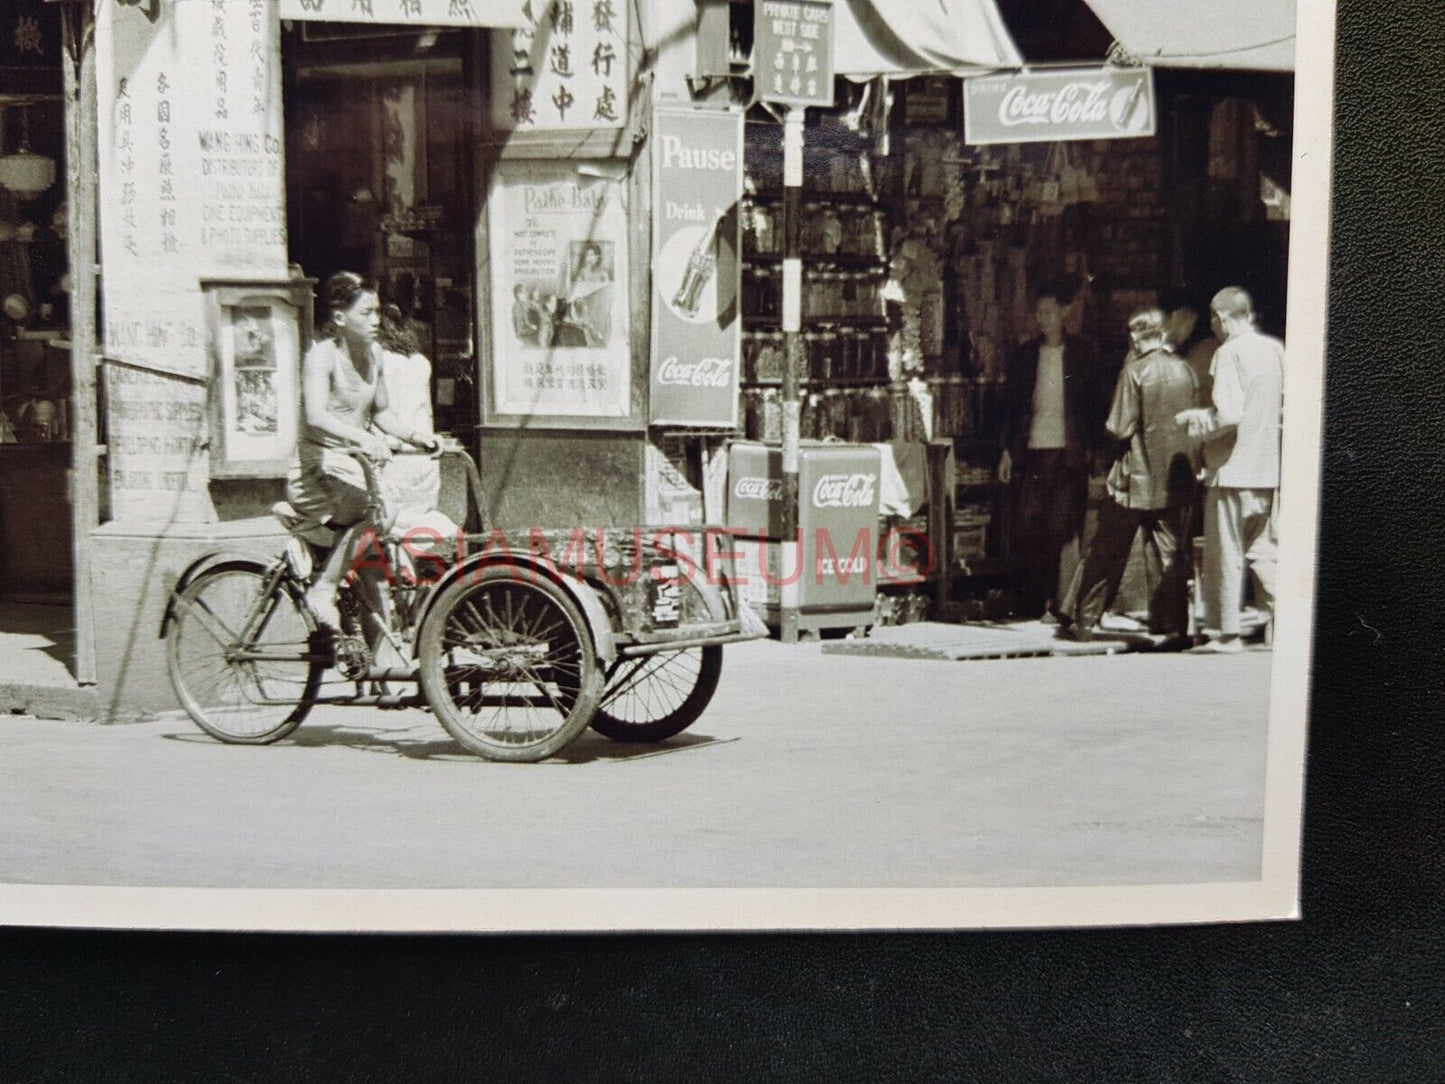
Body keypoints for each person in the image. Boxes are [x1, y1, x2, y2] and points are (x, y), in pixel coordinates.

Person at [285, 272, 440, 633]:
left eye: (376, 312)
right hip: (317, 471)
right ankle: (323, 591)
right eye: (366, 313)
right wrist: (363, 439)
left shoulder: (375, 356)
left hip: (352, 470)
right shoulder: (321, 357)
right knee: (382, 512)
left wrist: (420, 437)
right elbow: (316, 415)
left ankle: (379, 674)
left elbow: (383, 413)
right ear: (340, 318)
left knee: (376, 567)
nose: (376, 321)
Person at [1061, 309, 1200, 643]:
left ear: (1137, 337)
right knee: (1169, 554)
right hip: (1172, 478)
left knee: (1106, 550)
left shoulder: (1134, 371)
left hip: (1134, 479)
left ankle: (1086, 621)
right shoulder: (1185, 371)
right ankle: (1174, 625)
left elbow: (1118, 427)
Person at [1176, 287, 1285, 654]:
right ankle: (1288, 616)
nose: (1212, 326)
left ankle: (1226, 634)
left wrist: (1198, 419)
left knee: (1226, 554)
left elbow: (1229, 414)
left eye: (1213, 318)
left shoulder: (1228, 353)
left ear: (1222, 317)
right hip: (1267, 469)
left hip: (1232, 470)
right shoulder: (1275, 351)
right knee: (1262, 551)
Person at [999, 281, 1104, 620]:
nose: (1042, 319)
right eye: (1038, 313)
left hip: (1068, 452)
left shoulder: (1083, 354)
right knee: (1031, 525)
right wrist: (1006, 451)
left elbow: (1094, 406)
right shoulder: (1026, 355)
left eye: (1048, 312)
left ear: (1063, 313)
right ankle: (1036, 601)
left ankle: (1061, 603)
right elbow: (1012, 407)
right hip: (1032, 449)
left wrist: (1095, 453)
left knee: (1063, 527)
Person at [376, 303, 456, 539]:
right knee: (419, 521)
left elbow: (382, 413)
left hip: (396, 455)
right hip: (423, 453)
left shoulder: (381, 361)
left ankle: (398, 570)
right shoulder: (420, 361)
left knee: (390, 523)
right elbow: (427, 410)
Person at [564, 241, 611, 347]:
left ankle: (600, 339)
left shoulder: (603, 274)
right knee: (586, 322)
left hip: (600, 304)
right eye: (586, 256)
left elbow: (607, 291)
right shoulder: (582, 273)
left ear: (597, 257)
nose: (588, 258)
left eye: (591, 255)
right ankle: (590, 341)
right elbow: (576, 290)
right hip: (585, 304)